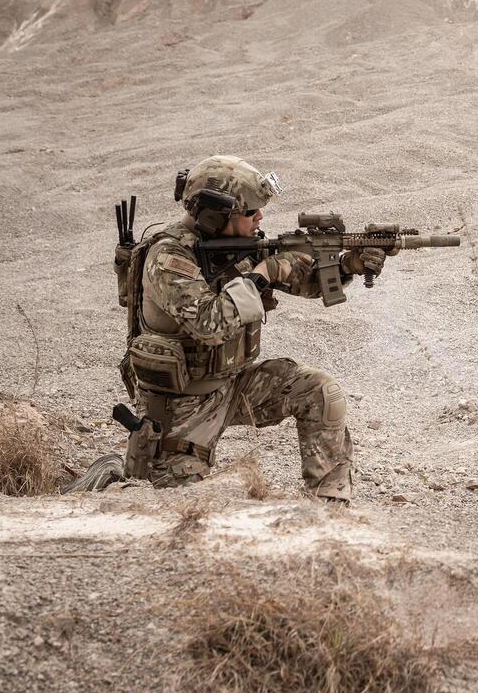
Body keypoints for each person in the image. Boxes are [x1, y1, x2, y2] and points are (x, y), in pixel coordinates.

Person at [105, 155, 390, 502]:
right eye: (250, 212)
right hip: (180, 409)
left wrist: (349, 264)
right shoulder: (168, 259)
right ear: (215, 215)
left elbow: (306, 279)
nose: (260, 218)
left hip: (233, 387)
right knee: (172, 505)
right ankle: (110, 476)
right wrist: (263, 275)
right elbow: (209, 324)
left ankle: (330, 509)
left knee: (319, 392)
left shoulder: (236, 245)